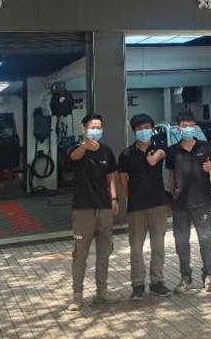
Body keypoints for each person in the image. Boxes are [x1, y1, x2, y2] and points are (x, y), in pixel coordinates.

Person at [66, 113, 120, 311]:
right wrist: (85, 147)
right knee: (80, 254)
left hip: (104, 208)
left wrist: (114, 198)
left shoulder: (106, 151)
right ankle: (77, 296)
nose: (96, 131)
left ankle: (102, 292)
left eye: (99, 127)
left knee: (104, 253)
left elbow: (110, 176)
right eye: (92, 127)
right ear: (84, 129)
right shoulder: (76, 149)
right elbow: (73, 158)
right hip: (83, 210)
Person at [118, 113, 173, 300]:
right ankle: (138, 284)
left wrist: (155, 157)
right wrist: (132, 197)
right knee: (136, 248)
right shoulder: (126, 154)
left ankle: (157, 282)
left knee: (158, 246)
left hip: (158, 205)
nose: (143, 131)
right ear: (134, 131)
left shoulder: (159, 147)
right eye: (139, 128)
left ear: (152, 128)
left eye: (147, 127)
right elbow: (122, 180)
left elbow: (163, 153)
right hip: (136, 208)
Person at [166, 110, 211, 293]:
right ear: (178, 128)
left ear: (195, 127)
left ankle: (208, 275)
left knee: (205, 239)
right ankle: (186, 277)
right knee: (181, 242)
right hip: (180, 204)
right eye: (184, 125)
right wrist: (173, 196)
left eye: (190, 125)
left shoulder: (205, 146)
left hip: (201, 202)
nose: (188, 128)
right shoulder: (173, 151)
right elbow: (171, 175)